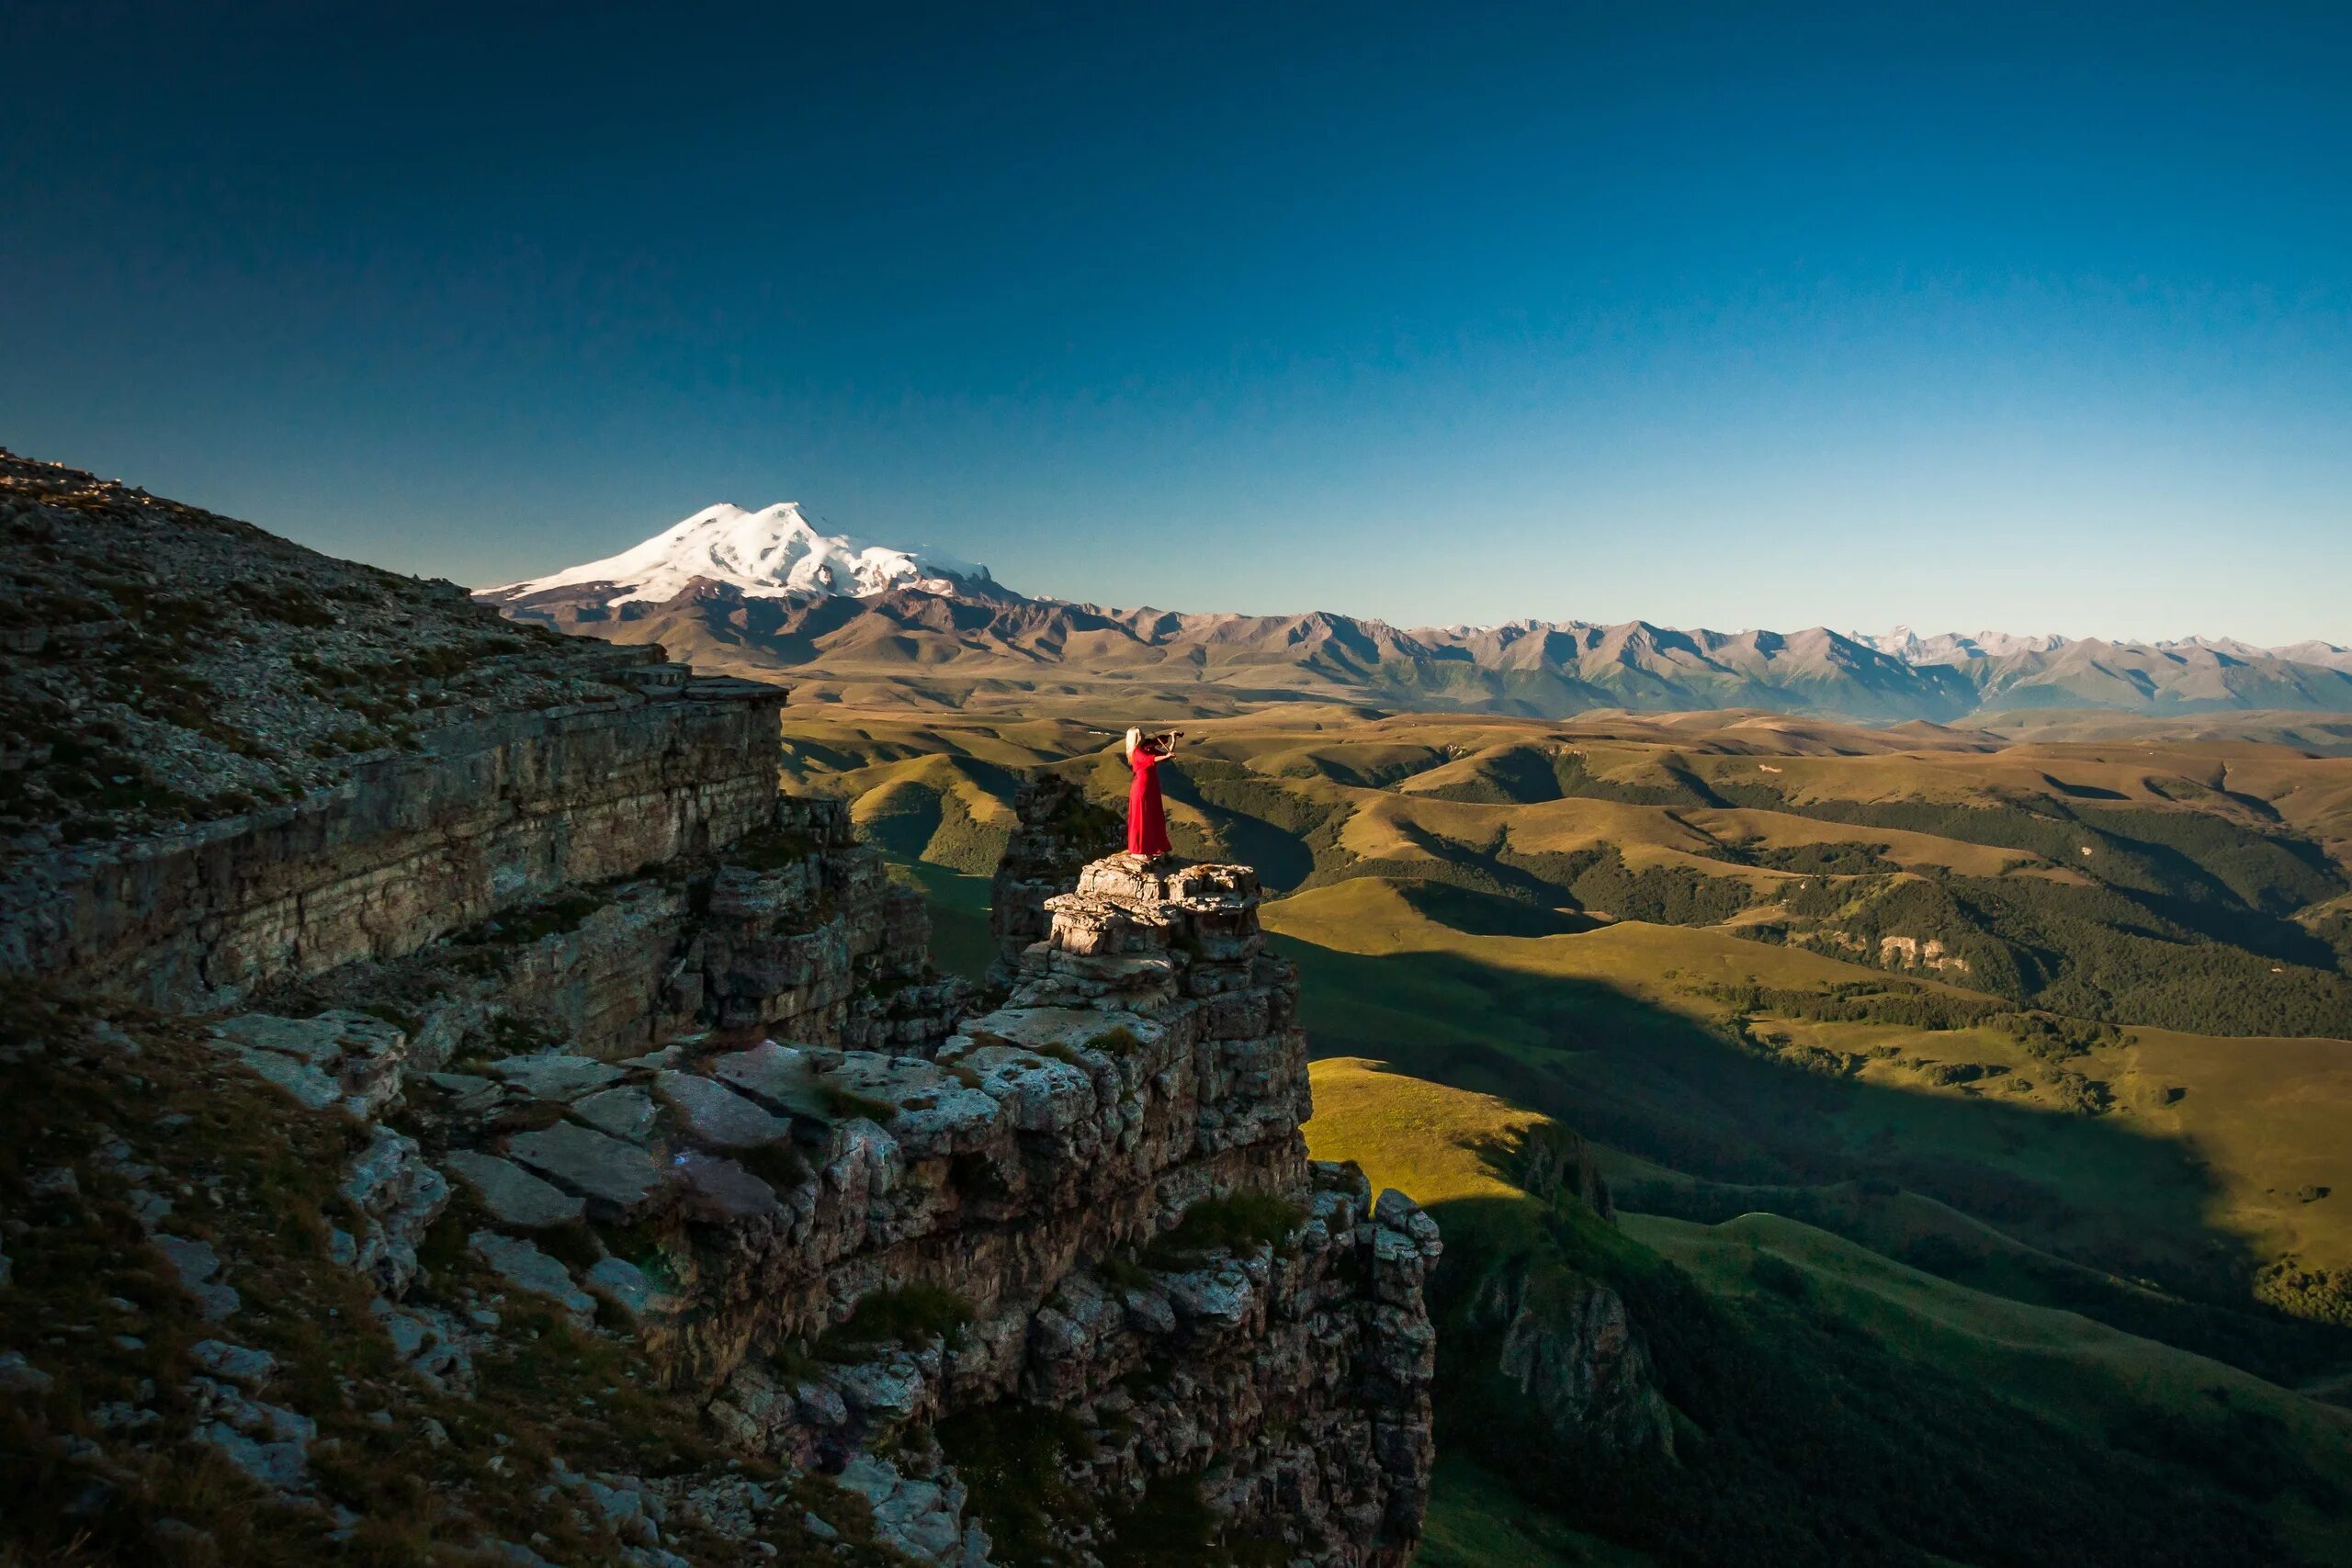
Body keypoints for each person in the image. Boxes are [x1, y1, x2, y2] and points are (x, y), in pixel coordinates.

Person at [1123, 726, 1176, 857]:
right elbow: (1150, 759)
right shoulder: (1137, 752)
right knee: (1143, 817)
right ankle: (1140, 848)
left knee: (1152, 815)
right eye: (1140, 734)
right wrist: (1166, 755)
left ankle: (1152, 847)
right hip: (1142, 787)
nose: (1144, 736)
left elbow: (1166, 755)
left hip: (1151, 785)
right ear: (1135, 738)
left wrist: (1174, 740)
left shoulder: (1147, 748)